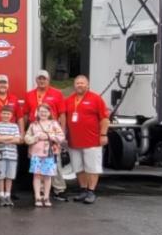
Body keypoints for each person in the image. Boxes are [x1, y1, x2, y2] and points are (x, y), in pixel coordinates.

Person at [63, 75, 110, 205]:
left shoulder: (96, 99)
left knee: (92, 168)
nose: (80, 85)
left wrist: (103, 135)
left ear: (88, 85)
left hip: (92, 140)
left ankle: (91, 191)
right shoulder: (69, 100)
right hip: (74, 141)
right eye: (77, 83)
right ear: (74, 85)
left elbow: (105, 119)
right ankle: (83, 190)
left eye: (82, 83)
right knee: (78, 167)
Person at [23, 69, 67, 203]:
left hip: (51, 134)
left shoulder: (57, 93)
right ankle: (40, 192)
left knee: (55, 163)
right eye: (39, 79)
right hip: (36, 132)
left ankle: (59, 189)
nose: (42, 81)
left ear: (49, 80)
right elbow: (25, 114)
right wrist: (25, 132)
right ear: (36, 80)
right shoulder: (29, 94)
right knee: (38, 165)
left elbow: (62, 114)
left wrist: (62, 133)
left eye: (44, 79)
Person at [26, 104, 65, 207]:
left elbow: (61, 137)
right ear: (37, 113)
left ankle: (46, 196)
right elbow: (27, 138)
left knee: (48, 176)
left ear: (49, 113)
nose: (43, 113)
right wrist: (36, 137)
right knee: (37, 175)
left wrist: (48, 136)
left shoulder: (54, 124)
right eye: (41, 111)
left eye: (45, 111)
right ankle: (38, 196)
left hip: (50, 154)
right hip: (36, 154)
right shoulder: (33, 124)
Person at [0, 105, 22, 207]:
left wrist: (3, 138)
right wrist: (10, 138)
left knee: (10, 176)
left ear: (12, 115)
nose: (6, 115)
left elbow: (17, 140)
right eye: (4, 113)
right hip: (0, 155)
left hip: (12, 155)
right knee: (0, 176)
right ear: (0, 114)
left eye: (8, 114)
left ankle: (8, 195)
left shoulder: (14, 126)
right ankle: (1, 195)